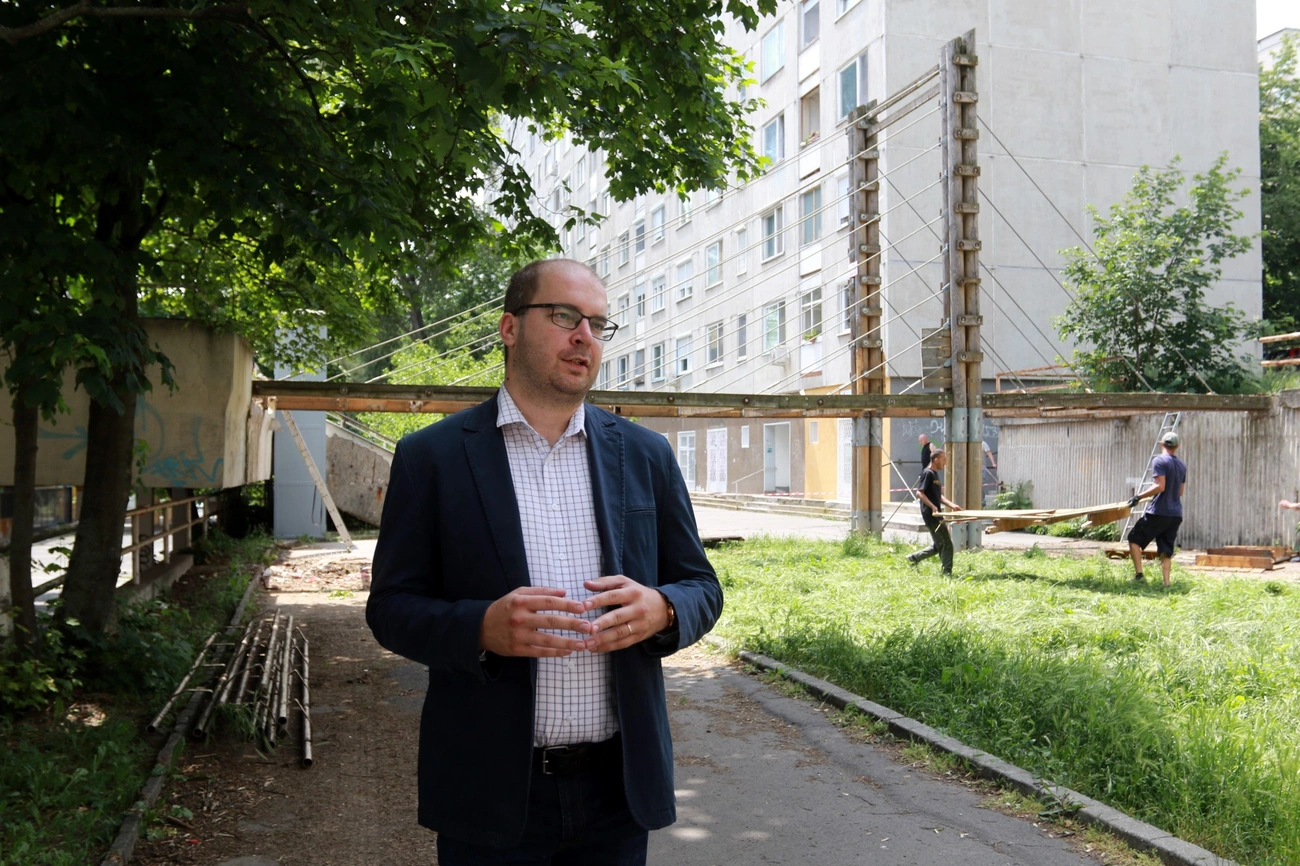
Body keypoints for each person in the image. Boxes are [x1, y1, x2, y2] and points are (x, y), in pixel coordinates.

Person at [366, 258, 722, 865]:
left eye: (598, 324)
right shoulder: (432, 458)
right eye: (564, 316)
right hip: (490, 789)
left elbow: (701, 586)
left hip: (617, 793)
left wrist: (663, 608)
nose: (585, 336)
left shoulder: (646, 454)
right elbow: (391, 608)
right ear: (510, 328)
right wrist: (480, 628)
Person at [1126, 431, 1187, 586]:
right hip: (1175, 514)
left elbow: (1160, 486)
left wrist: (1138, 497)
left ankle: (1139, 575)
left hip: (1159, 512)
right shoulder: (1182, 465)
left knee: (1134, 539)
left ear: (1161, 444)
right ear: (1177, 446)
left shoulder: (1159, 460)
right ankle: (1166, 583)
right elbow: (1180, 491)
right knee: (1166, 550)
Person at [907, 447, 962, 574]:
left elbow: (939, 496)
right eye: (944, 459)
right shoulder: (928, 473)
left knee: (939, 544)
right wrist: (932, 506)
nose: (945, 462)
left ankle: (914, 558)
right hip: (931, 514)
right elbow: (919, 493)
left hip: (936, 514)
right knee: (946, 544)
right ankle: (947, 572)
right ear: (936, 460)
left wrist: (952, 505)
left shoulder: (935, 474)